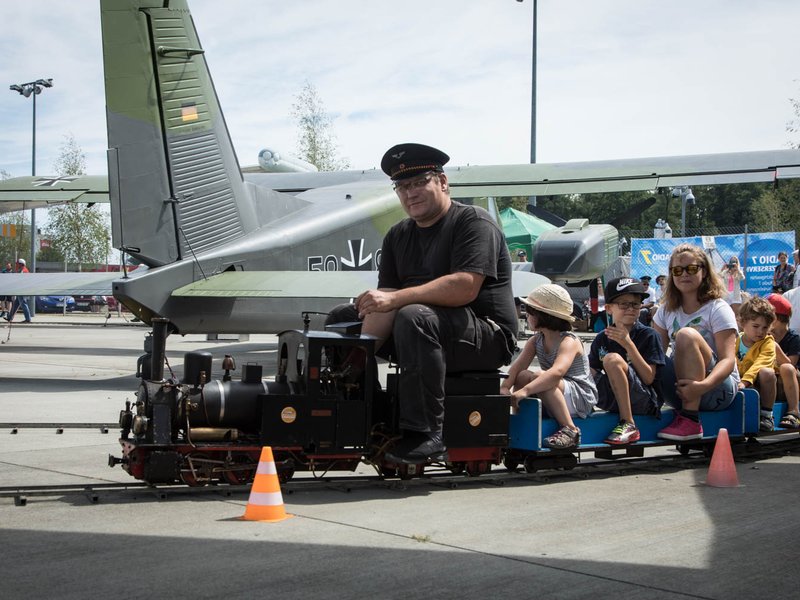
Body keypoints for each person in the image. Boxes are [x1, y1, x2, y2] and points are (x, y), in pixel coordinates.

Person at [326, 143, 518, 464]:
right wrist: (353, 358)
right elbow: (383, 306)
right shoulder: (397, 236)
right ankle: (363, 417)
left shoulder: (473, 222)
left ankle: (427, 434)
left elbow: (465, 288)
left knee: (413, 315)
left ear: (442, 182)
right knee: (342, 318)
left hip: (487, 336)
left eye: (419, 183)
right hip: (425, 331)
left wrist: (395, 299)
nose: (410, 193)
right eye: (402, 186)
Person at [652, 243, 739, 441]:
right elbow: (656, 356)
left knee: (686, 335)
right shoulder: (665, 311)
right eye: (677, 270)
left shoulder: (717, 308)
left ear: (705, 272)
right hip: (682, 389)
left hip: (716, 389)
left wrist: (703, 386)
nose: (684, 275)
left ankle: (690, 420)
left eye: (691, 269)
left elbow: (728, 361)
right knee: (647, 356)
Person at [501, 284, 597, 449]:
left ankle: (571, 430)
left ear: (544, 316)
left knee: (542, 377)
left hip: (580, 396)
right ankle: (521, 421)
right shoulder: (536, 340)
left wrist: (524, 391)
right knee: (523, 375)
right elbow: (517, 368)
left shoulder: (569, 341)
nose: (526, 316)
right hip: (557, 392)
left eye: (530, 312)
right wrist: (505, 387)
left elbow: (557, 372)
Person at [589, 277, 665, 445]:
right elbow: (592, 371)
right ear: (609, 308)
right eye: (624, 304)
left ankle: (628, 423)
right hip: (613, 396)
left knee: (612, 360)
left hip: (644, 400)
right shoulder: (602, 337)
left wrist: (628, 344)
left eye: (635, 304)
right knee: (579, 370)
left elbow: (649, 378)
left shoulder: (648, 335)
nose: (630, 309)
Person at [734, 296, 778, 431]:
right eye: (756, 326)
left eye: (765, 327)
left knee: (767, 372)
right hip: (740, 382)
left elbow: (761, 363)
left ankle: (767, 415)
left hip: (761, 384)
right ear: (742, 322)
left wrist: (745, 382)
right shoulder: (735, 340)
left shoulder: (768, 342)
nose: (760, 331)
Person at [765, 293, 800, 429]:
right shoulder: (762, 336)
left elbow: (790, 364)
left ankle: (794, 411)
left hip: (792, 380)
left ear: (775, 318)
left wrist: (774, 346)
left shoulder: (793, 338)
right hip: (772, 381)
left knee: (786, 369)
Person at [5, 258, 32, 323]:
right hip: (20, 290)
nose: (16, 265)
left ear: (21, 264)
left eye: (17, 264)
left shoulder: (23, 271)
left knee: (23, 304)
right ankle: (10, 318)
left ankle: (28, 319)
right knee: (16, 304)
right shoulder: (21, 270)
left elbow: (21, 282)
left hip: (22, 291)